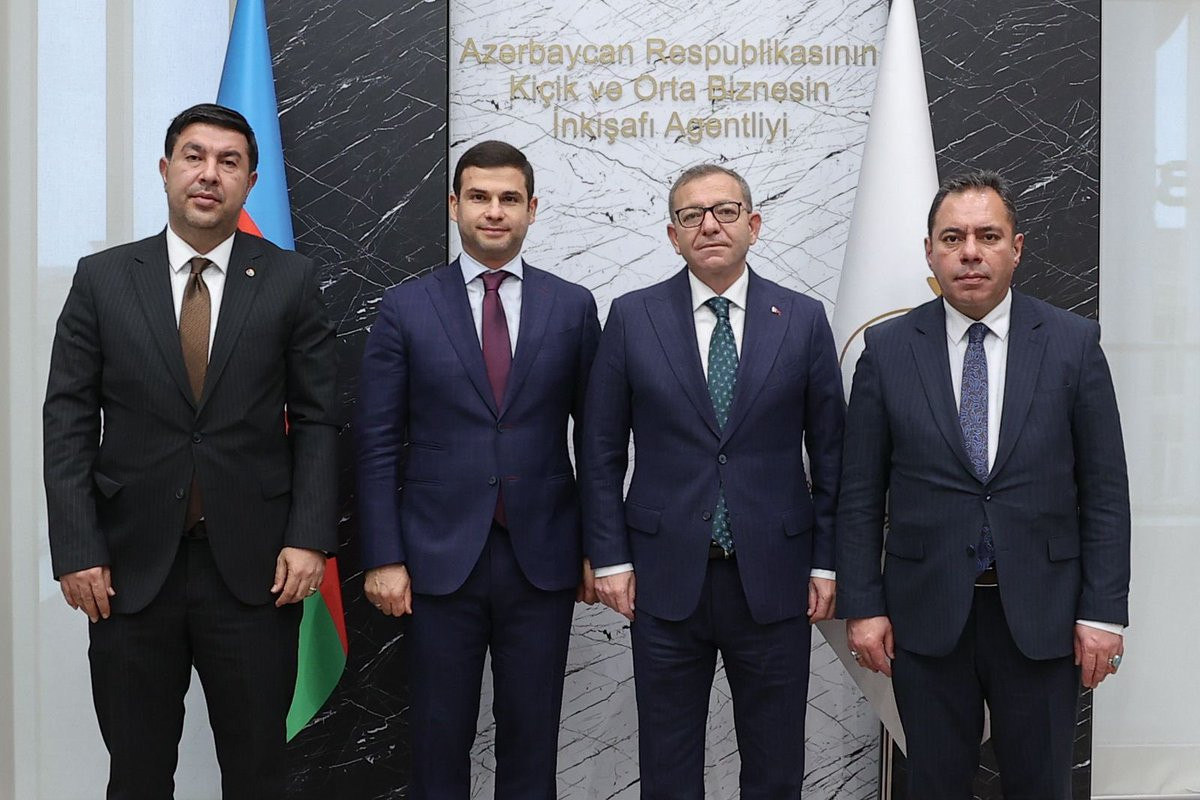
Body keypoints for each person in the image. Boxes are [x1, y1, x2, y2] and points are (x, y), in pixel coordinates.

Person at [43, 103, 339, 799]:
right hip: (129, 571)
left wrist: (308, 538)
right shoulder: (102, 278)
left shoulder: (292, 280)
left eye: (228, 162)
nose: (209, 174)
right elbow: (68, 420)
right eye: (194, 157)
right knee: (138, 774)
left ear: (250, 182)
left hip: (257, 572)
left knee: (258, 773)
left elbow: (319, 420)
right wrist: (78, 547)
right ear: (165, 169)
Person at [836, 169, 1130, 797]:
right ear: (930, 252)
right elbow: (859, 496)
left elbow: (1105, 493)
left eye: (987, 236)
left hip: (1044, 615)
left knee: (1041, 786)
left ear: (1016, 248)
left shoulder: (1073, 344)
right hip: (925, 615)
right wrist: (863, 606)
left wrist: (1104, 612)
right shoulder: (887, 351)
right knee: (935, 785)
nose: (970, 252)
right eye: (953, 238)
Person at [580, 164, 844, 798]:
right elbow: (599, 450)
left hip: (776, 576)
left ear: (753, 225)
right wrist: (610, 558)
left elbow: (834, 454)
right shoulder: (633, 317)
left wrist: (827, 563)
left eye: (725, 211)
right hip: (663, 577)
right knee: (668, 767)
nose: (710, 225)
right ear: (673, 236)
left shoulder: (803, 319)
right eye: (691, 215)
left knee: (775, 766)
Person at [356, 140, 600, 799]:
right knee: (438, 740)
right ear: (454, 205)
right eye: (480, 197)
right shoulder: (405, 307)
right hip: (436, 561)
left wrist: (597, 547)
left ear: (531, 210)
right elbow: (376, 443)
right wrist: (384, 556)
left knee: (532, 739)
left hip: (542, 558)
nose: (494, 211)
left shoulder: (572, 307)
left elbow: (597, 440)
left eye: (509, 199)